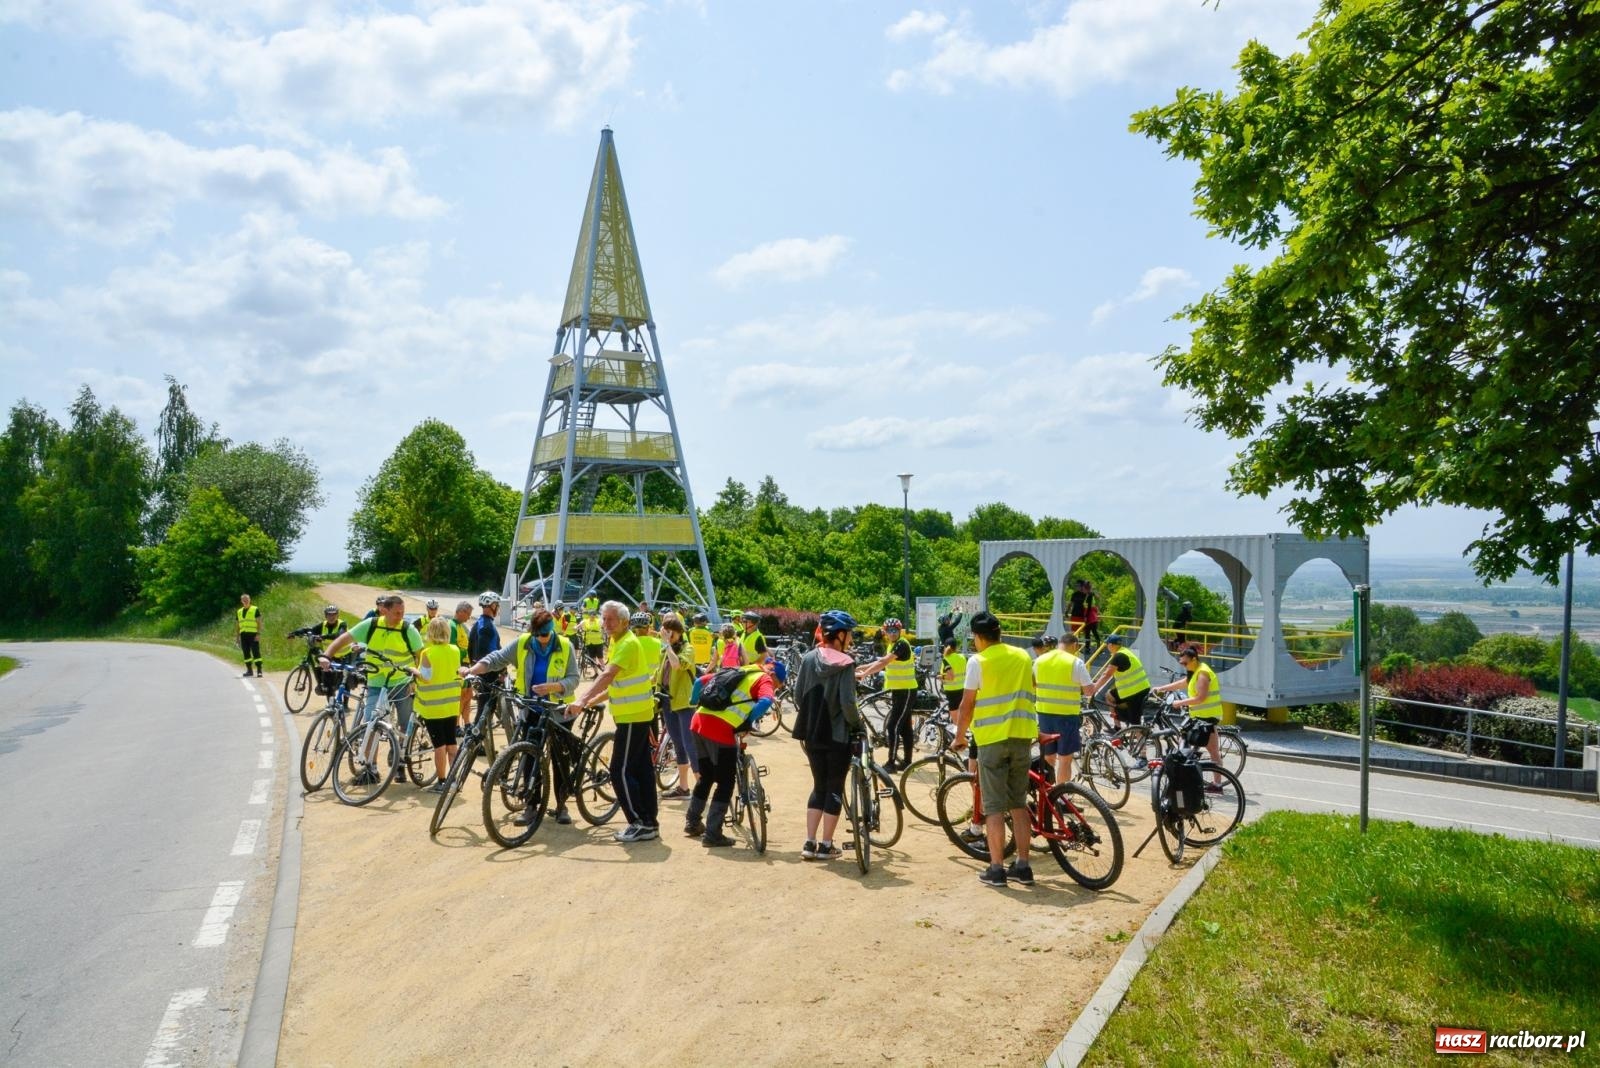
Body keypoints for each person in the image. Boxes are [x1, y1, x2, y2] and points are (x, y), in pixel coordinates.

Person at [462, 607, 582, 823]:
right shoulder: (524, 643)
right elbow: (496, 658)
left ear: (552, 631)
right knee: (528, 756)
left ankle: (562, 806)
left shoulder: (565, 646)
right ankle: (531, 805)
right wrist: (472, 670)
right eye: (537, 635)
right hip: (532, 709)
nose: (541, 640)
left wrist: (554, 687)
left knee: (559, 760)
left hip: (559, 712)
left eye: (544, 635)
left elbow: (574, 678)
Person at [951, 610, 1039, 888]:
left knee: (994, 809)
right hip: (1022, 738)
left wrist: (960, 736)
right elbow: (1032, 688)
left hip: (991, 741)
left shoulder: (978, 661)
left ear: (978, 637)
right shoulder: (1023, 656)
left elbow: (967, 704)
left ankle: (997, 869)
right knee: (1019, 805)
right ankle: (1023, 867)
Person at [571, 601, 659, 842]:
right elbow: (617, 683)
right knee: (641, 770)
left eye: (611, 619)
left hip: (633, 716)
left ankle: (639, 822)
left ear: (624, 622)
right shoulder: (620, 641)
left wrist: (582, 699)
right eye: (604, 618)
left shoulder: (627, 644)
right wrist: (590, 701)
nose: (606, 623)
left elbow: (608, 675)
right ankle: (650, 821)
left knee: (619, 770)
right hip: (636, 714)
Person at [319, 593, 423, 785]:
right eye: (397, 612)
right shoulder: (372, 625)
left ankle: (400, 761)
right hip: (376, 682)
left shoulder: (408, 630)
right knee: (370, 724)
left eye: (403, 612)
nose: (400, 616)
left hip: (401, 682)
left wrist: (416, 678)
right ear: (385, 610)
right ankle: (370, 769)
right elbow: (344, 639)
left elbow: (421, 655)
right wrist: (327, 655)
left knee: (403, 724)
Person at [791, 609, 863, 861]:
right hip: (838, 736)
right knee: (835, 787)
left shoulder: (809, 658)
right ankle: (826, 845)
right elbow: (848, 703)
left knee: (818, 786)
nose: (851, 639)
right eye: (850, 634)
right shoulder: (846, 664)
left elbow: (797, 695)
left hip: (811, 733)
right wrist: (858, 724)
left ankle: (809, 843)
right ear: (840, 635)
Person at [685, 660, 774, 848]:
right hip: (720, 730)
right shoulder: (764, 679)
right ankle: (713, 833)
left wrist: (694, 702)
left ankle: (692, 823)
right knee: (725, 783)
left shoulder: (738, 671)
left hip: (698, 722)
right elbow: (766, 701)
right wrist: (747, 722)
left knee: (706, 776)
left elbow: (699, 682)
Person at [1153, 643, 1225, 789]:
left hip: (1207, 718)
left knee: (1212, 751)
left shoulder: (1203, 673)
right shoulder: (1194, 671)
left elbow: (1201, 698)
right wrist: (1161, 688)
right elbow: (1183, 683)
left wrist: (1180, 703)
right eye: (1182, 664)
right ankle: (1187, 775)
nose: (1184, 666)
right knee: (1184, 742)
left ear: (1194, 659)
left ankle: (1217, 784)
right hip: (1197, 716)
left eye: (1185, 663)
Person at [413, 617, 464, 790]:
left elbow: (426, 677)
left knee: (439, 746)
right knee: (451, 742)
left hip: (432, 708)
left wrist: (414, 671)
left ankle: (442, 781)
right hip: (451, 704)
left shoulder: (427, 653)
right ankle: (454, 779)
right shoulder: (455, 650)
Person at [859, 618, 916, 772]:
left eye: (895, 630)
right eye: (889, 630)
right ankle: (907, 762)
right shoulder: (893, 645)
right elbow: (881, 661)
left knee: (893, 726)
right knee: (904, 728)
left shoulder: (901, 644)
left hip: (906, 690)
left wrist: (864, 674)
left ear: (900, 631)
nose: (892, 633)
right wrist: (861, 668)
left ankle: (891, 763)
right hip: (899, 691)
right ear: (885, 632)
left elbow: (884, 662)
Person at [1035, 632, 1093, 783]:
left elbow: (1032, 684)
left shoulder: (1040, 660)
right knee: (1065, 759)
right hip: (1067, 716)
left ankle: (1046, 795)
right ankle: (1061, 798)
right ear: (1074, 645)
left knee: (1048, 757)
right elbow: (1089, 691)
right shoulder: (1075, 662)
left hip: (1044, 714)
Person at [658, 618, 698, 800]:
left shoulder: (688, 649)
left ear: (678, 632)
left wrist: (666, 645)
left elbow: (677, 665)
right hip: (668, 701)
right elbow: (660, 673)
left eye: (670, 632)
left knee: (691, 745)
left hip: (684, 703)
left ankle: (701, 786)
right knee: (678, 745)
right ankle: (683, 787)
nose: (667, 636)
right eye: (664, 632)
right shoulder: (666, 650)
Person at [1087, 632, 1150, 729]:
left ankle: (1140, 741)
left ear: (1111, 645)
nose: (1107, 647)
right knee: (1109, 696)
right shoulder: (1126, 652)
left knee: (1135, 723)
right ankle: (1117, 726)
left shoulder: (1118, 656)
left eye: (1107, 645)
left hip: (1134, 691)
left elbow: (1106, 675)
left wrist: (1094, 688)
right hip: (1140, 688)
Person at [467, 592, 503, 728]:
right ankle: (475, 744)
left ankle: (478, 744)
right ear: (493, 605)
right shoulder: (487, 627)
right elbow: (489, 653)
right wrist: (501, 670)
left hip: (479, 670)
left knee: (483, 709)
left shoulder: (477, 624)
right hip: (489, 673)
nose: (498, 608)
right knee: (485, 711)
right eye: (497, 606)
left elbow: (470, 649)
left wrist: (474, 665)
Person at [314, 605, 347, 694]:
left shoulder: (342, 624)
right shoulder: (323, 625)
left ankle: (345, 703)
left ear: (337, 615)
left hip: (345, 654)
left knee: (346, 678)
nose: (331, 617)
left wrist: (323, 636)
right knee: (320, 669)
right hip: (330, 655)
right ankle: (321, 685)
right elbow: (311, 630)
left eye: (334, 615)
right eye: (329, 615)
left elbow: (339, 635)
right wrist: (296, 633)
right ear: (326, 616)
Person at [235, 593, 263, 677]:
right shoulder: (239, 611)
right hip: (243, 635)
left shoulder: (255, 609)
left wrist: (258, 634)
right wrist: (237, 638)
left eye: (247, 599)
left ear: (250, 600)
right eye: (244, 600)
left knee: (256, 652)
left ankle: (259, 670)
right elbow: (237, 626)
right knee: (246, 653)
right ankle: (249, 670)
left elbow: (259, 622)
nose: (245, 601)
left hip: (253, 634)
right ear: (241, 601)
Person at [939, 638, 967, 714]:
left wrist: (940, 677)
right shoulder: (962, 657)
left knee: (956, 720)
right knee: (961, 712)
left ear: (945, 647)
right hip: (962, 688)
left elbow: (950, 677)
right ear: (956, 647)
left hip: (951, 690)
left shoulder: (946, 659)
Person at [1082, 581, 1102, 646]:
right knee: (1089, 632)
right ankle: (1089, 647)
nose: (1082, 590)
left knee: (1092, 632)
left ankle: (1098, 647)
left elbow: (1089, 607)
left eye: (1083, 589)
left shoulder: (1090, 595)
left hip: (1091, 617)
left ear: (1086, 588)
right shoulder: (1089, 595)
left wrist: (1086, 617)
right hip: (1092, 616)